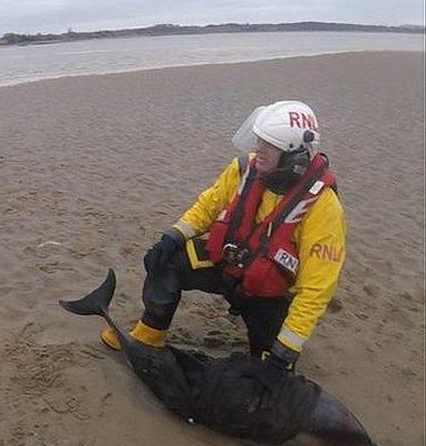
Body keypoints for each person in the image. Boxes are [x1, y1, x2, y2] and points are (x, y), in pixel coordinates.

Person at [101, 100, 345, 373]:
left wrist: (287, 347)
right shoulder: (245, 168)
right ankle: (149, 335)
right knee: (167, 260)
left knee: (268, 373)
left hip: (268, 292)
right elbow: (208, 205)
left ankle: (270, 354)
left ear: (295, 157)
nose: (258, 149)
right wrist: (172, 236)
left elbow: (316, 288)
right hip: (229, 266)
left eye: (268, 145)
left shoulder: (323, 206)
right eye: (258, 140)